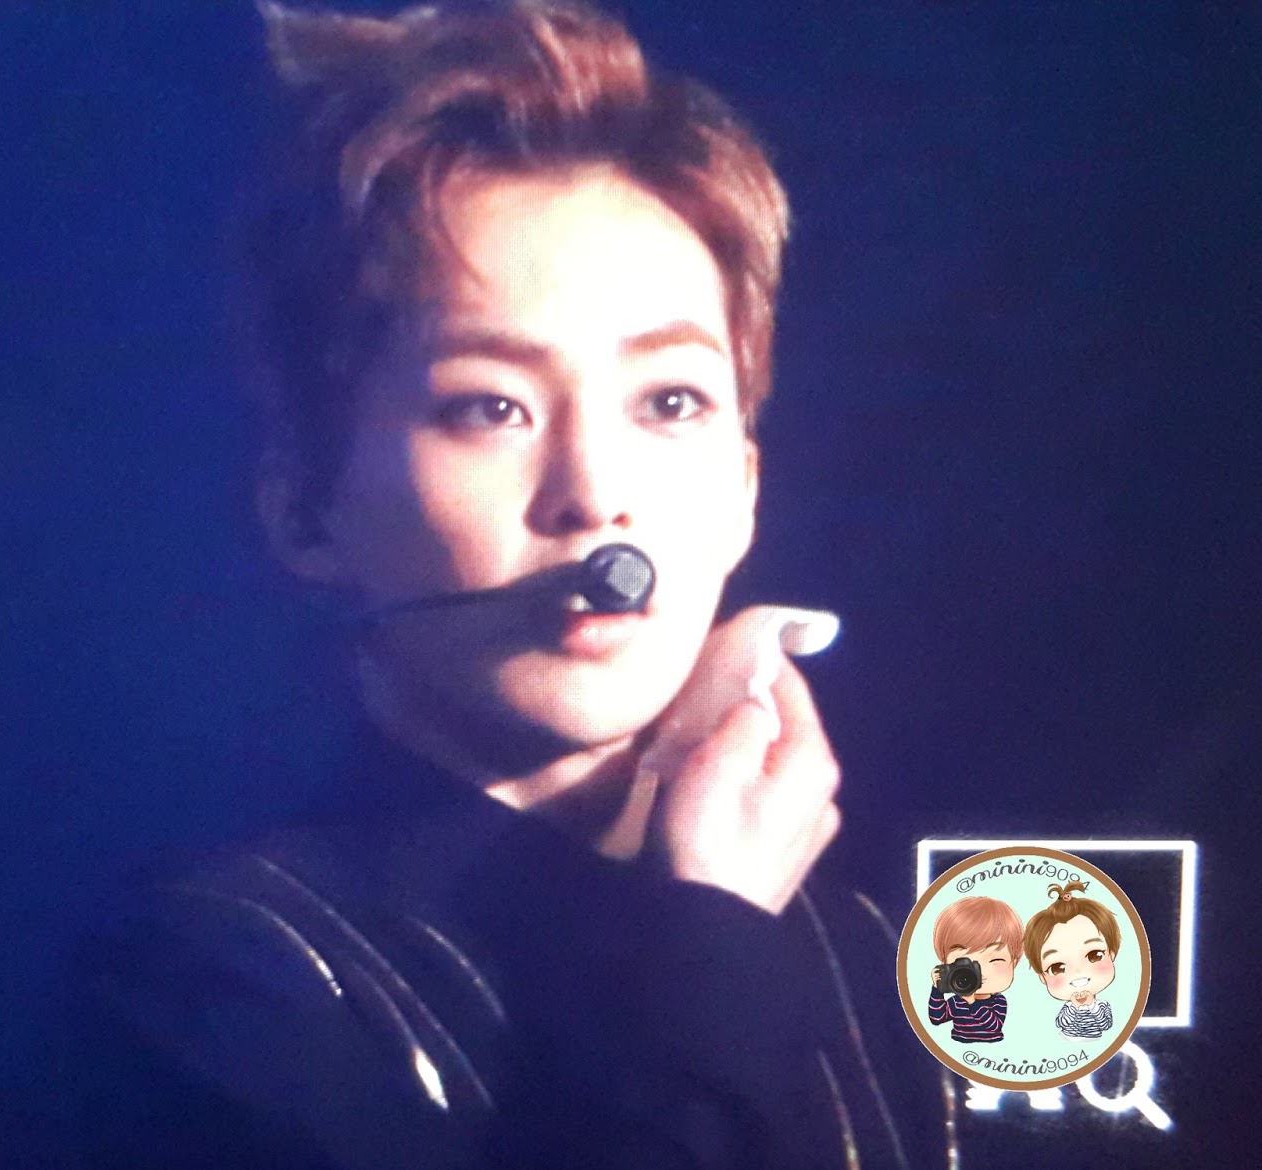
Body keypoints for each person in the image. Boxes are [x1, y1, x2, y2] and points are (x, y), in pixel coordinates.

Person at [69, 2, 939, 1166]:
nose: (593, 496)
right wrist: (713, 948)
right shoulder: (221, 981)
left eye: (668, 401)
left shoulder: (873, 960)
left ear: (744, 487)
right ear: (305, 511)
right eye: (490, 408)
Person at [1022, 881, 1120, 1041]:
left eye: (1094, 955)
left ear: (1111, 953)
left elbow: (1105, 1024)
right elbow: (1061, 1023)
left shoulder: (1102, 1006)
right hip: (1066, 1039)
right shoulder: (1068, 1007)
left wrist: (1091, 1006)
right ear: (1042, 977)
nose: (1078, 974)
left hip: (1096, 1041)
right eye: (1057, 968)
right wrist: (1075, 1007)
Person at [924, 896, 1022, 1044]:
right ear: (946, 964)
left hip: (993, 1046)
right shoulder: (957, 1001)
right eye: (965, 963)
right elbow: (936, 1018)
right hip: (958, 1045)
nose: (979, 971)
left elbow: (994, 1026)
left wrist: (972, 1003)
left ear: (1013, 963)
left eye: (995, 960)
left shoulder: (998, 1001)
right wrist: (937, 989)